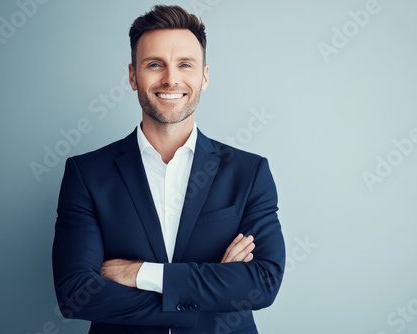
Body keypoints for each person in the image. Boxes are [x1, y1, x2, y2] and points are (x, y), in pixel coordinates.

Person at [52, 5, 285, 334]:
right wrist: (210, 293)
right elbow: (76, 294)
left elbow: (262, 282)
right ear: (133, 76)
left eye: (185, 64)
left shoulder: (249, 172)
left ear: (204, 76)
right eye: (154, 64)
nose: (171, 79)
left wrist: (141, 274)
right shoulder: (87, 174)